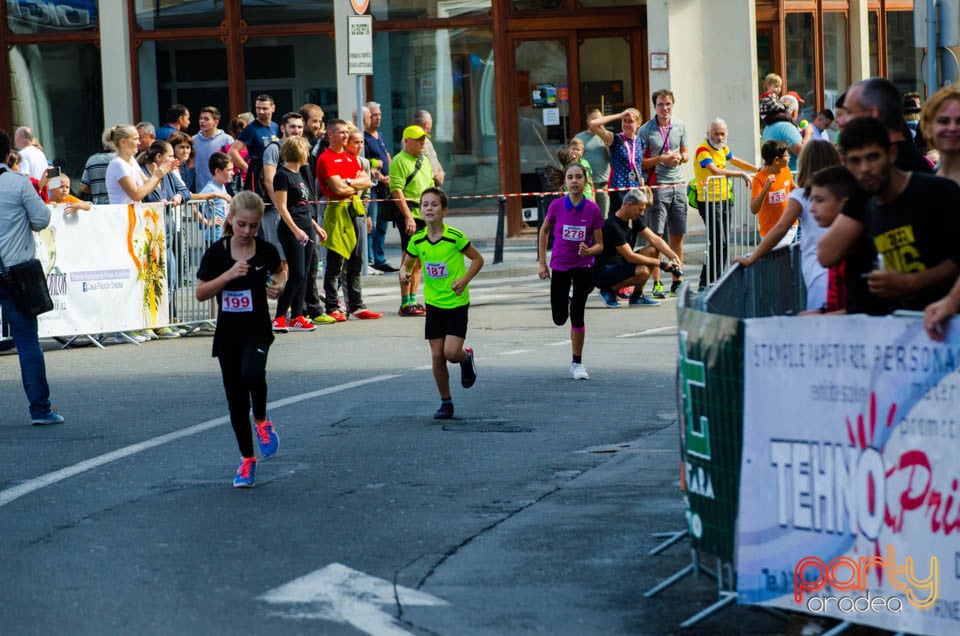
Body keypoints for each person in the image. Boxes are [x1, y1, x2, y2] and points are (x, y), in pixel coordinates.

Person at [818, 117, 960, 313]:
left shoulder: (938, 192)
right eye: (855, 161)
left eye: (873, 157)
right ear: (845, 164)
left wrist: (910, 282)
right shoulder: (869, 209)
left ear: (892, 154)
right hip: (904, 331)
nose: (865, 168)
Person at [195, 191, 287, 487]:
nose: (247, 232)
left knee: (252, 373)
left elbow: (280, 272)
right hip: (228, 334)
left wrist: (278, 287)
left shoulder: (265, 250)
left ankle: (261, 420)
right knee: (235, 400)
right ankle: (247, 460)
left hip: (257, 328)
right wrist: (228, 276)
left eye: (254, 226)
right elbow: (201, 292)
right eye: (242, 225)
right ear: (231, 220)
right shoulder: (218, 253)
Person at [399, 187, 483, 419]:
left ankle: (466, 358)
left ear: (444, 210)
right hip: (434, 304)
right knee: (437, 356)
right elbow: (406, 263)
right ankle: (446, 403)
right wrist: (403, 272)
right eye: (425, 204)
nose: (429, 208)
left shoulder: (454, 237)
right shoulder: (417, 240)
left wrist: (464, 280)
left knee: (451, 352)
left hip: (456, 303)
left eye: (434, 204)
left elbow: (478, 259)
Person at [0, 130, 64, 425]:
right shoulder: (17, 183)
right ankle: (40, 410)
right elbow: (41, 219)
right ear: (7, 155)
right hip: (14, 272)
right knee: (27, 342)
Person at [736, 140, 840, 311]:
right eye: (786, 155)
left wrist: (752, 258)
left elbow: (782, 227)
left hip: (819, 270)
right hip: (770, 232)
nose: (789, 157)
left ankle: (783, 305)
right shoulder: (843, 192)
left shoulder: (801, 192)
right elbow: (755, 210)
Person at [537, 162, 604, 380]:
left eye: (578, 177)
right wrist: (542, 263)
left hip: (583, 266)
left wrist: (589, 250)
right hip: (560, 265)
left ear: (585, 181)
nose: (574, 181)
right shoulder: (556, 206)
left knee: (578, 312)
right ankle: (566, 300)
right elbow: (544, 230)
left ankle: (577, 363)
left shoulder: (593, 209)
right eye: (570, 177)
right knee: (559, 318)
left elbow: (600, 246)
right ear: (565, 182)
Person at [317, 119, 381, 322]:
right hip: (336, 211)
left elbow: (367, 181)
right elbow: (336, 189)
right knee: (336, 262)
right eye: (341, 132)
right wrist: (354, 184)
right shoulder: (325, 158)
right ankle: (332, 306)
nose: (345, 136)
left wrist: (348, 183)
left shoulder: (349, 157)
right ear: (330, 135)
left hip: (355, 210)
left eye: (346, 132)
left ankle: (356, 305)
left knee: (356, 260)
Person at [693, 118, 757, 289]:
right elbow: (715, 170)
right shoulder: (703, 150)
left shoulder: (723, 148)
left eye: (722, 134)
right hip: (708, 201)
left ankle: (718, 279)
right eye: (716, 133)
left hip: (724, 199)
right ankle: (705, 282)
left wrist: (757, 169)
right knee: (718, 241)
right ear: (709, 134)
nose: (720, 137)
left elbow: (734, 159)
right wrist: (741, 175)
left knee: (724, 241)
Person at [803, 165, 876, 314]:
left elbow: (867, 308)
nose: (811, 208)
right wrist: (823, 312)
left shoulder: (859, 249)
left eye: (819, 200)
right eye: (812, 200)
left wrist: (826, 317)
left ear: (845, 204)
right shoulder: (841, 244)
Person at [594, 188, 681, 308]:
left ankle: (637, 296)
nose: (642, 213)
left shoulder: (634, 219)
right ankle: (609, 290)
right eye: (640, 209)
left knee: (653, 249)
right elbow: (630, 257)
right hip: (605, 270)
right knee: (642, 271)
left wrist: (674, 256)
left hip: (621, 263)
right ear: (629, 205)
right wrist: (661, 263)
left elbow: (654, 239)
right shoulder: (612, 225)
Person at [639, 88, 688, 297]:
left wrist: (680, 158)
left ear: (672, 104)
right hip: (658, 186)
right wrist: (661, 159)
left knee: (677, 235)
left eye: (668, 104)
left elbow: (685, 153)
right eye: (660, 104)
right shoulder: (646, 130)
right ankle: (657, 282)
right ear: (654, 106)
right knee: (656, 236)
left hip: (678, 184)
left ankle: (677, 279)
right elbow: (640, 162)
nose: (664, 108)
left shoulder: (680, 126)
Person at [273, 136, 325, 332]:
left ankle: (297, 316)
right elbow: (282, 207)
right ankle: (279, 316)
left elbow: (302, 206)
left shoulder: (300, 174)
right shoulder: (283, 175)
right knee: (297, 274)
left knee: (305, 274)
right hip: (292, 230)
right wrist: (296, 230)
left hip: (306, 227)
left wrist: (315, 227)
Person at [837, 77, 934, 174]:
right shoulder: (912, 163)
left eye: (849, 112)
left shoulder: (889, 173)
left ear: (873, 114)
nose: (841, 122)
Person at [390, 124, 436, 316]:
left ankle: (413, 299)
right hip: (410, 215)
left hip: (425, 215)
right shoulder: (399, 160)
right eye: (418, 139)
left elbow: (431, 185)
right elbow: (396, 189)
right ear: (407, 141)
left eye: (424, 138)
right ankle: (404, 302)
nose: (422, 142)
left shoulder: (424, 160)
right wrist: (408, 216)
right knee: (408, 260)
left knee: (419, 261)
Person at [588, 108, 646, 213]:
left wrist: (641, 178)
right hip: (619, 188)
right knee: (617, 222)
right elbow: (593, 124)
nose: (627, 124)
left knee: (638, 222)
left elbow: (637, 163)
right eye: (625, 120)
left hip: (635, 188)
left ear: (638, 123)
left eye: (631, 121)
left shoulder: (640, 141)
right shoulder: (615, 138)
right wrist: (619, 115)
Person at [364, 100, 395, 271]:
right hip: (373, 187)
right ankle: (370, 259)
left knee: (383, 224)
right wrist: (382, 177)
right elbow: (366, 163)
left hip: (385, 187)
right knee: (371, 224)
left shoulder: (380, 136)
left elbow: (387, 156)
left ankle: (380, 258)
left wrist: (392, 176)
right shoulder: (363, 138)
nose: (377, 118)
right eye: (373, 115)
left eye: (379, 115)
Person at [750, 140, 795, 244]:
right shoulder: (759, 179)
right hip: (768, 231)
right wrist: (766, 188)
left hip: (789, 226)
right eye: (786, 156)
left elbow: (793, 188)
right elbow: (753, 209)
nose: (789, 158)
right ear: (777, 160)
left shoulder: (786, 170)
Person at [919, 85, 960, 185]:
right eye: (944, 121)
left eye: (959, 121)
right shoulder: (923, 186)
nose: (952, 128)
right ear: (928, 128)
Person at [575, 108, 612, 215]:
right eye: (594, 119)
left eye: (600, 119)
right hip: (585, 185)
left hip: (603, 184)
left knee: (603, 217)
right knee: (586, 216)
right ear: (588, 121)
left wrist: (606, 142)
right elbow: (574, 160)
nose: (597, 122)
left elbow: (612, 158)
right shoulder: (579, 137)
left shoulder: (607, 136)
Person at [192, 106, 234, 192]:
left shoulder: (227, 140)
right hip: (201, 190)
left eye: (206, 119)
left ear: (215, 122)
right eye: (201, 118)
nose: (202, 121)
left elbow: (231, 166)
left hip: (223, 190)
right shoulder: (193, 140)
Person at [762, 93, 804, 172]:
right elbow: (804, 154)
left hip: (774, 177)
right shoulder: (787, 127)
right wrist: (809, 133)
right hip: (788, 179)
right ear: (794, 111)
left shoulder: (768, 126)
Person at [80, 135, 117, 204]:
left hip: (99, 205)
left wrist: (96, 191)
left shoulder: (92, 160)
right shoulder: (122, 159)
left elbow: (83, 187)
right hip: (120, 205)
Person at [414, 109, 445, 186]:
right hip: (425, 186)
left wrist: (441, 172)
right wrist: (436, 178)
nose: (432, 122)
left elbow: (434, 158)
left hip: (433, 185)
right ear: (426, 124)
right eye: (431, 120)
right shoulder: (411, 140)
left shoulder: (427, 140)